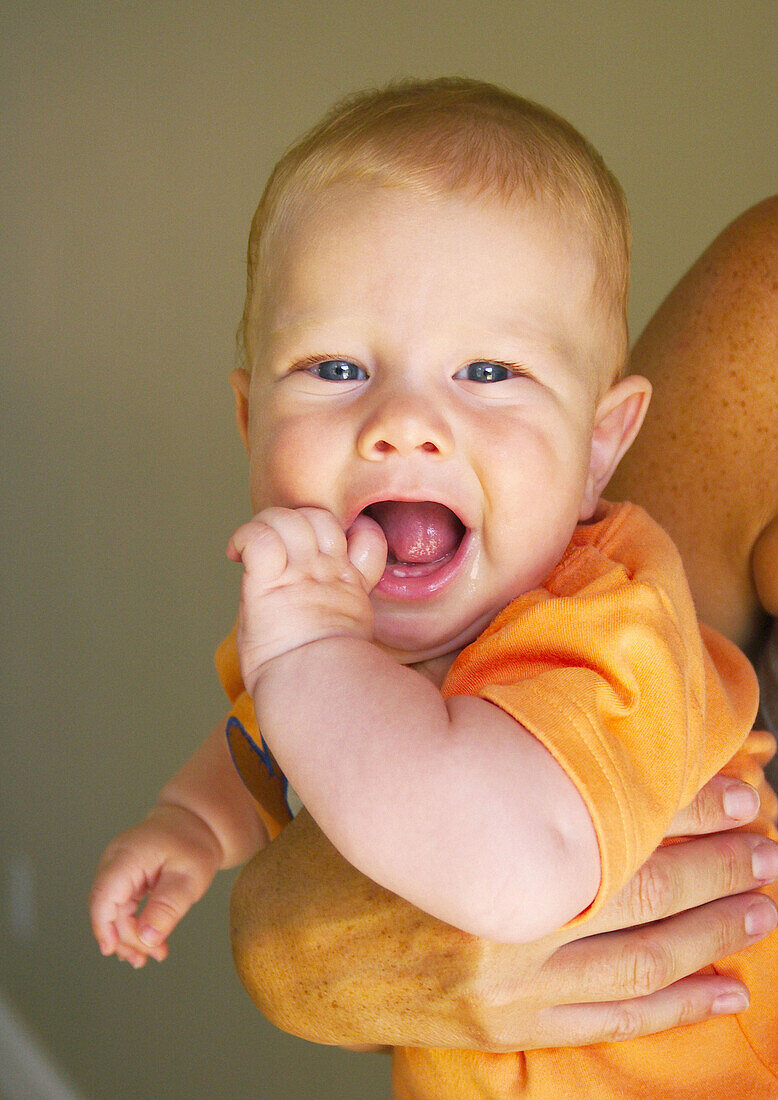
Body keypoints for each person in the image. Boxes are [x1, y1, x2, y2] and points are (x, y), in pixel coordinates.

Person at [90, 79, 778, 1096]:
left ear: (600, 445)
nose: (402, 422)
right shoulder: (328, 628)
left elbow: (510, 871)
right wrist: (193, 822)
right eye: (332, 368)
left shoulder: (617, 625)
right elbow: (264, 737)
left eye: (488, 371)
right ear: (249, 422)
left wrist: (309, 657)